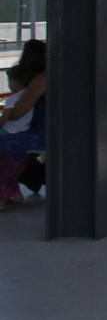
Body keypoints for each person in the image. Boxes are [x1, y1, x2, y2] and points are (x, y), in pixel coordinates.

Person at [0, 40, 47, 206]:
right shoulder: (60, 74)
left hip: (45, 134)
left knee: (5, 146)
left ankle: (5, 192)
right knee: (16, 152)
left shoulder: (41, 79)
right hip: (57, 131)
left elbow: (17, 114)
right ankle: (12, 190)